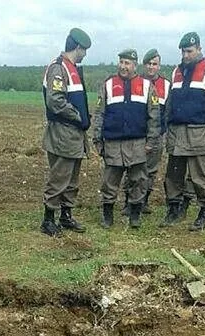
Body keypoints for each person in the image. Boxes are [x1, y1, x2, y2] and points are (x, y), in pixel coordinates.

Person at [161, 32, 205, 231]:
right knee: (173, 176)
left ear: (199, 49)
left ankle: (204, 212)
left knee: (200, 177)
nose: (185, 55)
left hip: (200, 133)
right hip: (176, 133)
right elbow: (170, 104)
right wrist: (166, 128)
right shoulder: (176, 72)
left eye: (189, 51)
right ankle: (174, 209)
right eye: (183, 51)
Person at [93, 49, 152, 229]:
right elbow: (99, 114)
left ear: (135, 65)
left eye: (127, 63)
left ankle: (135, 215)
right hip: (113, 142)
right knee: (110, 182)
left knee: (138, 180)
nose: (123, 66)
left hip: (138, 142)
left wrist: (151, 142)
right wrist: (97, 138)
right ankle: (107, 216)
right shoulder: (108, 84)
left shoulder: (147, 86)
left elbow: (154, 117)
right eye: (121, 62)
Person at [41, 28, 92, 237]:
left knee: (72, 178)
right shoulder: (58, 68)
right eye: (85, 50)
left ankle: (66, 215)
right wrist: (78, 116)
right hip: (63, 132)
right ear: (77, 48)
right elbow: (55, 101)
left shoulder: (73, 68)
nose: (85, 54)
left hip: (74, 134)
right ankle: (48, 220)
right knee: (59, 176)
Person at [122, 49, 170, 217]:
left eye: (154, 64)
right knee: (134, 169)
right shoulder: (137, 82)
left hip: (158, 136)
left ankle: (144, 201)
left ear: (159, 66)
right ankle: (129, 202)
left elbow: (168, 111)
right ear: (143, 65)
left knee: (151, 170)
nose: (151, 67)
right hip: (139, 136)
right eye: (148, 63)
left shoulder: (166, 85)